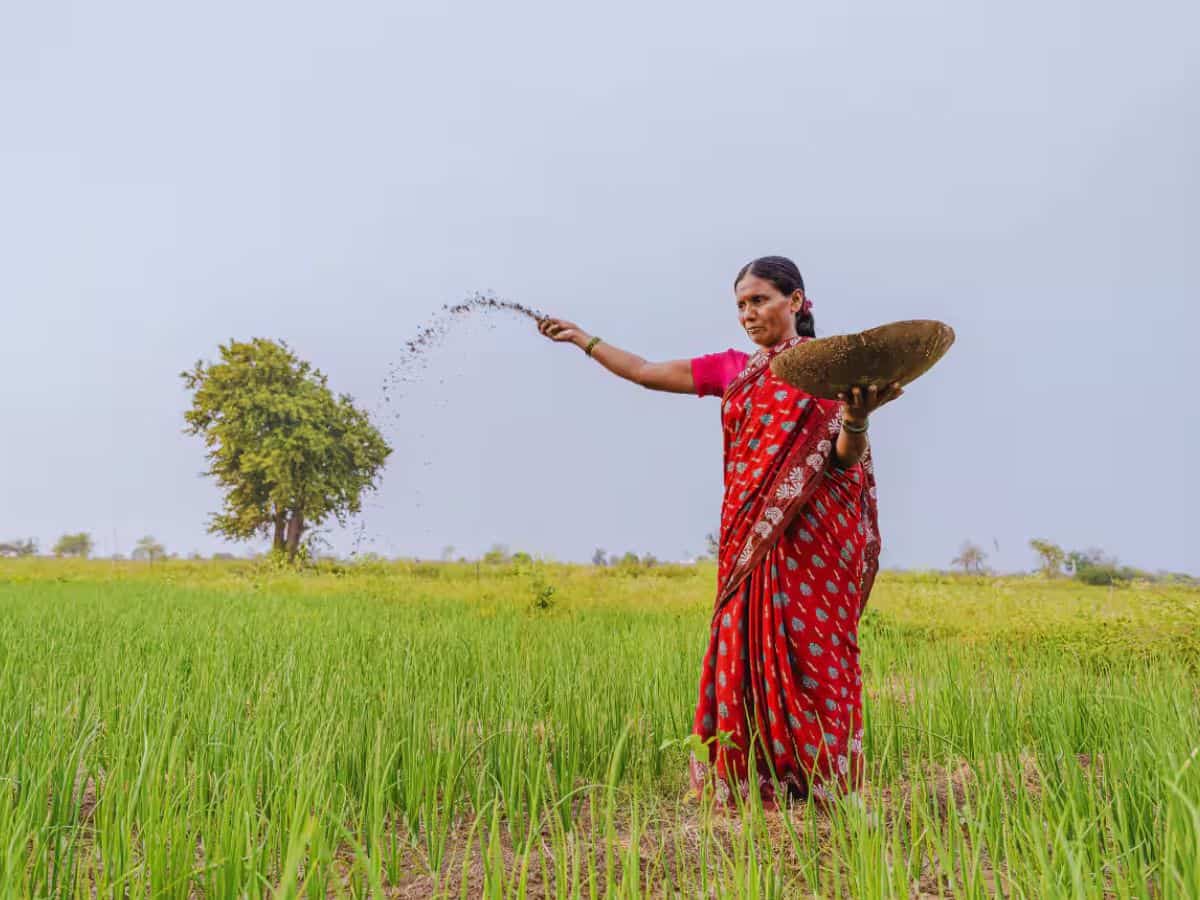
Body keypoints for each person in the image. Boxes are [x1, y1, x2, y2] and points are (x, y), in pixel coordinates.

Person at [536, 256, 902, 808]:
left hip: (809, 547)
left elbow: (844, 462)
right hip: (747, 546)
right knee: (747, 652)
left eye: (759, 300)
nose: (748, 314)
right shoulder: (736, 370)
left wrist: (856, 418)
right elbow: (643, 370)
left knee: (815, 656)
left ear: (796, 301)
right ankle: (749, 788)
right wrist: (582, 339)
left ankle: (824, 789)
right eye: (741, 305)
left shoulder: (827, 370)